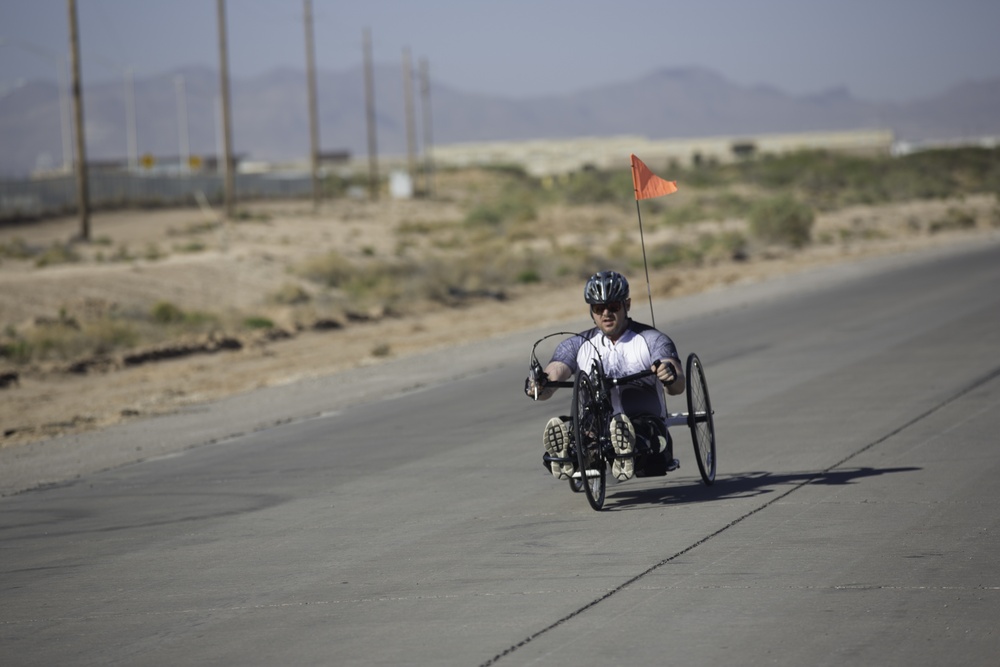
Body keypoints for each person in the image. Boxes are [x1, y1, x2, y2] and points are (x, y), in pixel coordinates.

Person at [524, 270, 686, 481]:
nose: (606, 314)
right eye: (599, 308)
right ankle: (566, 456)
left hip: (643, 422)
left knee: (642, 436)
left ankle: (626, 449)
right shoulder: (576, 344)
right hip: (596, 427)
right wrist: (540, 383)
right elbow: (555, 372)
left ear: (626, 305)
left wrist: (669, 373)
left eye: (613, 307)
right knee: (583, 441)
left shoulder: (652, 339)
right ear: (591, 311)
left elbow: (677, 384)